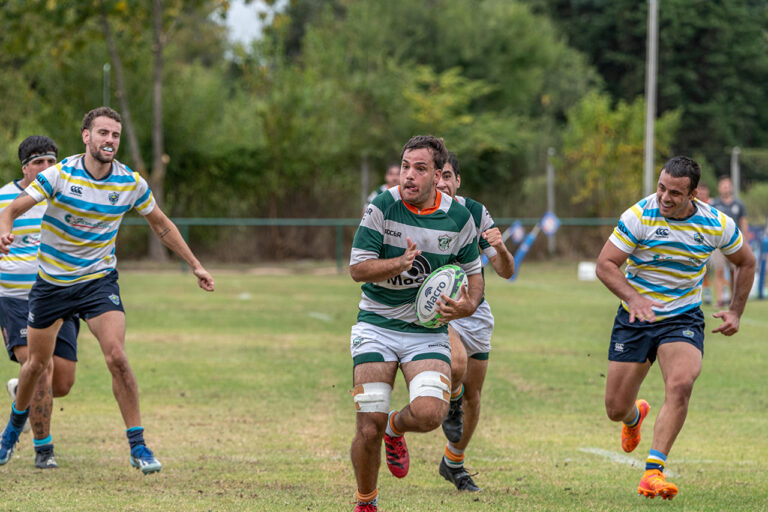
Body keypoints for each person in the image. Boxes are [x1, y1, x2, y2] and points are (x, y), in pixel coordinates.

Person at [0, 107, 215, 474]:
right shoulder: (59, 175)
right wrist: (5, 231)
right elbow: (13, 209)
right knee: (35, 366)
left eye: (115, 135)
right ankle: (11, 431)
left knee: (117, 356)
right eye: (103, 133)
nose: (110, 140)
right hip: (52, 284)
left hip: (98, 282)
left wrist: (195, 264)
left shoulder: (130, 183)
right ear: (86, 136)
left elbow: (161, 224)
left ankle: (138, 445)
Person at [596, 156, 755, 499]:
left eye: (675, 193)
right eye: (661, 188)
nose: (665, 198)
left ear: (693, 194)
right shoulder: (640, 216)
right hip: (635, 318)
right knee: (615, 408)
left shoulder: (716, 223)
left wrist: (736, 312)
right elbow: (606, 264)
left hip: (682, 317)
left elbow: (746, 262)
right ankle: (633, 417)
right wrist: (633, 298)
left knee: (681, 384)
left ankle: (653, 471)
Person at [348, 136, 484, 511]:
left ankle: (396, 428)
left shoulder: (459, 218)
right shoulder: (382, 206)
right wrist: (398, 263)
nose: (409, 175)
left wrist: (468, 305)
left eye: (420, 169)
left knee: (428, 415)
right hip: (377, 325)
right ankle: (366, 502)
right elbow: (357, 269)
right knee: (368, 425)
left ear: (438, 175)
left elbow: (474, 274)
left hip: (426, 331)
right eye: (406, 166)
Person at [434, 152, 515, 492]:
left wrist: (501, 248)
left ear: (458, 180)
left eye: (447, 176)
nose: (441, 183)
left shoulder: (475, 213)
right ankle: (446, 403)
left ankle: (453, 462)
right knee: (456, 363)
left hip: (474, 309)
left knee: (474, 396)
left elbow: (505, 271)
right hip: (437, 310)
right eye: (436, 175)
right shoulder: (416, 212)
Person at [0, 136, 81, 469]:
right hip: (15, 299)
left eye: (51, 162)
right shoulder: (4, 198)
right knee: (41, 366)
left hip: (59, 295)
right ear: (25, 168)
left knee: (61, 383)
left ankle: (22, 388)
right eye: (38, 163)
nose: (46, 168)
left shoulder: (67, 198)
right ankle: (43, 449)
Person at [710, 176, 749, 307]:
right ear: (719, 188)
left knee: (734, 272)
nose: (725, 188)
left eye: (727, 185)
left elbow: (743, 222)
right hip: (718, 244)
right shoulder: (714, 204)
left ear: (731, 187)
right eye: (723, 186)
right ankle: (720, 299)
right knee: (719, 271)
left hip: (734, 244)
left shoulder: (738, 204)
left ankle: (733, 299)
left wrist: (745, 240)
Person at [695, 183, 713, 304]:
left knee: (712, 269)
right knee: (701, 267)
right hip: (696, 242)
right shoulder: (692, 205)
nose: (702, 193)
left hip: (711, 241)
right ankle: (705, 293)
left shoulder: (713, 204)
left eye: (704, 190)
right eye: (700, 190)